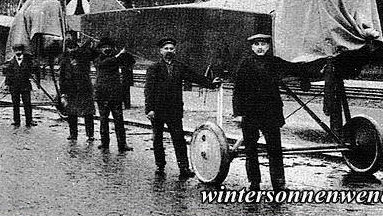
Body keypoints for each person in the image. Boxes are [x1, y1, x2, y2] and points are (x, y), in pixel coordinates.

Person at [144, 37, 219, 178]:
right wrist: (149, 109)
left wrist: (211, 83)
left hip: (174, 109)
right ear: (160, 51)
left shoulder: (179, 67)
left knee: (178, 138)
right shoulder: (154, 68)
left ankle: (184, 167)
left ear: (175, 50)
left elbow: (194, 77)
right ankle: (160, 164)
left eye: (171, 48)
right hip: (157, 109)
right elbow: (148, 89)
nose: (169, 51)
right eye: (166, 49)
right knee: (157, 138)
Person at [232, 33, 287, 191]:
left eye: (263, 44)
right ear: (252, 47)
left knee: (275, 149)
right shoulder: (245, 64)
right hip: (250, 113)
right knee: (250, 149)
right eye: (257, 44)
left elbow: (294, 69)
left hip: (271, 113)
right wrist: (238, 113)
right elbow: (238, 90)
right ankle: (254, 182)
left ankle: (278, 182)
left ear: (268, 46)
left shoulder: (274, 62)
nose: (260, 47)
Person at [94, 37, 134, 152]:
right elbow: (103, 64)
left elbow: (131, 62)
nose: (106, 49)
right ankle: (104, 143)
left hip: (115, 94)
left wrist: (125, 53)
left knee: (119, 120)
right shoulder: (98, 58)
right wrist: (117, 56)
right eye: (104, 47)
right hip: (102, 94)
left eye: (109, 47)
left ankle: (122, 144)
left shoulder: (117, 57)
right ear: (100, 49)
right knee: (103, 120)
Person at [58, 31, 97, 141]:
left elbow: (91, 54)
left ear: (77, 47)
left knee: (88, 113)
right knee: (71, 113)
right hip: (70, 90)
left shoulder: (83, 58)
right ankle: (73, 134)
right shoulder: (64, 61)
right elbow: (62, 77)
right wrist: (63, 92)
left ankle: (90, 134)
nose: (72, 50)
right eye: (69, 48)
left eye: (74, 48)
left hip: (84, 89)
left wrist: (89, 44)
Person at [2, 43, 40, 126]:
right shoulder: (11, 62)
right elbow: (8, 74)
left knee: (27, 103)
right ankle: (16, 121)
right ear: (13, 51)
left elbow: (35, 69)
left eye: (19, 50)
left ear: (22, 51)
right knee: (15, 104)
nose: (17, 52)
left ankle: (29, 121)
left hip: (25, 86)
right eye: (16, 50)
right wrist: (7, 84)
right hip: (14, 86)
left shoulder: (28, 61)